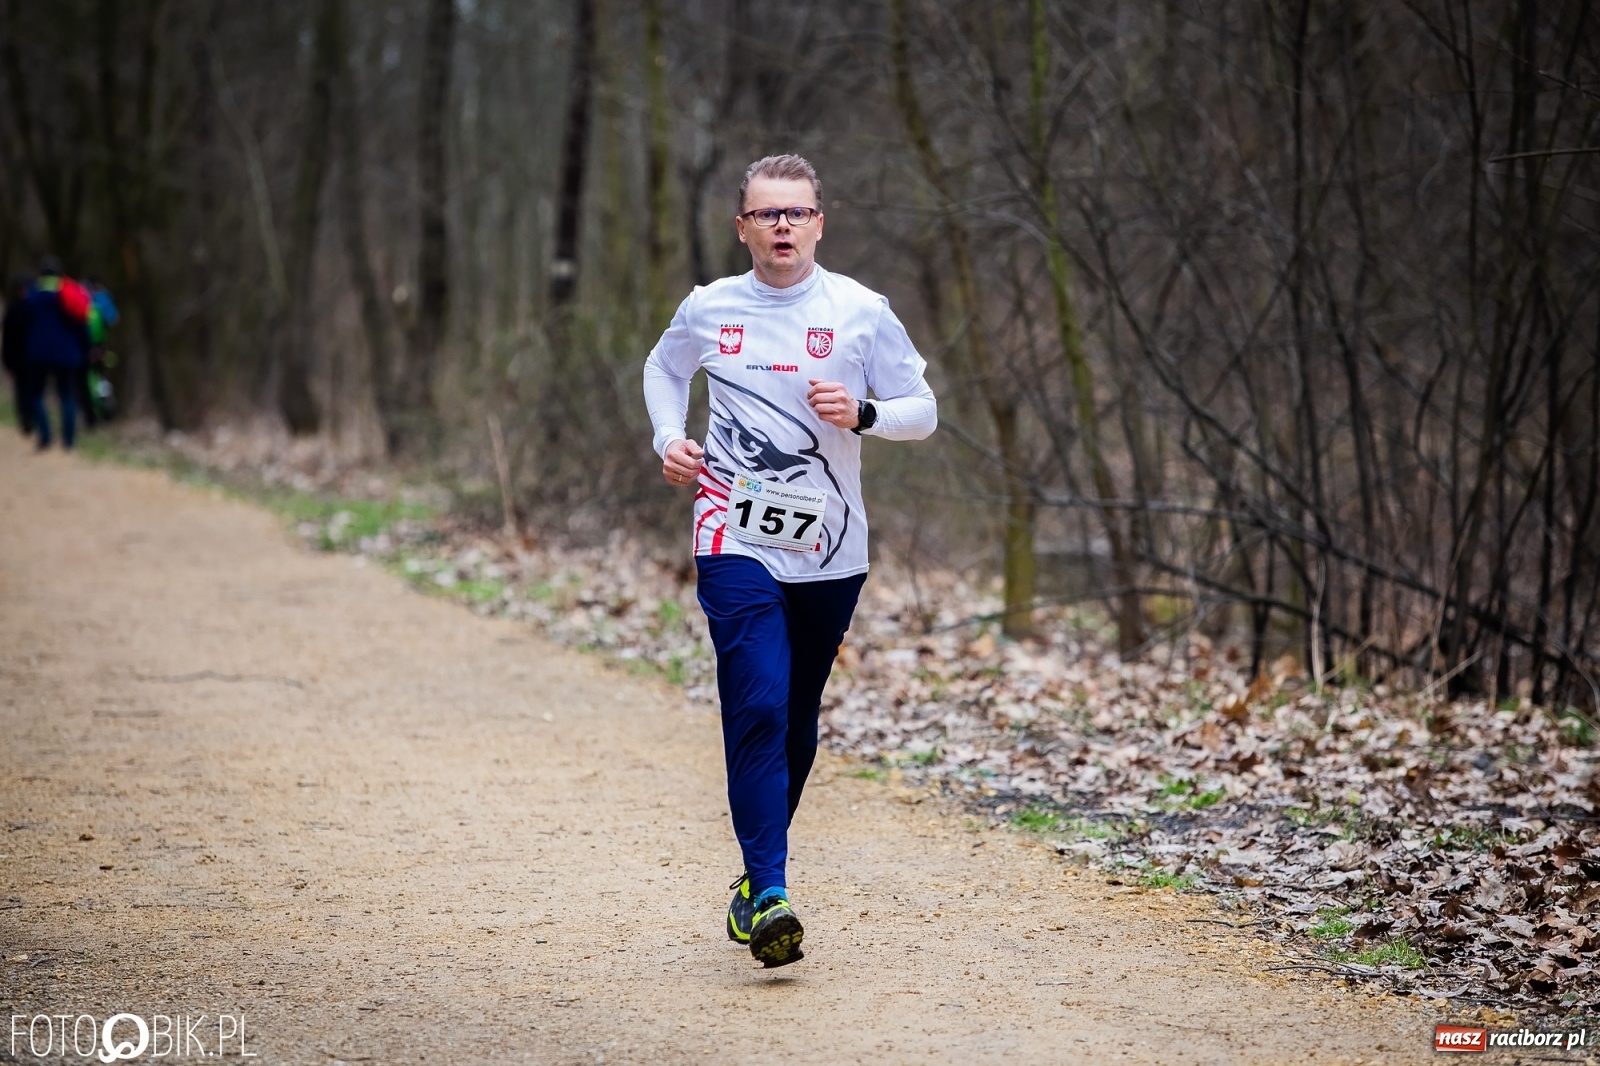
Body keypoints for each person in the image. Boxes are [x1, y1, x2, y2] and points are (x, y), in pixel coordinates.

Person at [642, 154, 937, 967]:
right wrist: (671, 439)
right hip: (731, 533)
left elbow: (924, 411)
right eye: (766, 214)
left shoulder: (861, 312)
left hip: (831, 548)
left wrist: (867, 411)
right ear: (742, 227)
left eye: (796, 213)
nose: (782, 226)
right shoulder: (709, 308)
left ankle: (750, 883)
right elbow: (661, 371)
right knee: (759, 703)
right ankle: (772, 891)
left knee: (796, 720)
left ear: (819, 223)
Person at [22, 257, 93, 450]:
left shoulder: (32, 295)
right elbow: (81, 323)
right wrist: (87, 347)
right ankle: (68, 440)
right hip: (67, 353)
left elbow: (22, 325)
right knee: (67, 394)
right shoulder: (69, 293)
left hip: (39, 353)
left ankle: (45, 435)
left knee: (37, 393)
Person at [1, 273, 36, 435]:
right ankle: (25, 418)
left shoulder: (30, 309)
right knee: (22, 390)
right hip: (21, 358)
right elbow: (7, 338)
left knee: (30, 389)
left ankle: (31, 417)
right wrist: (7, 360)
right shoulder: (17, 309)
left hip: (32, 357)